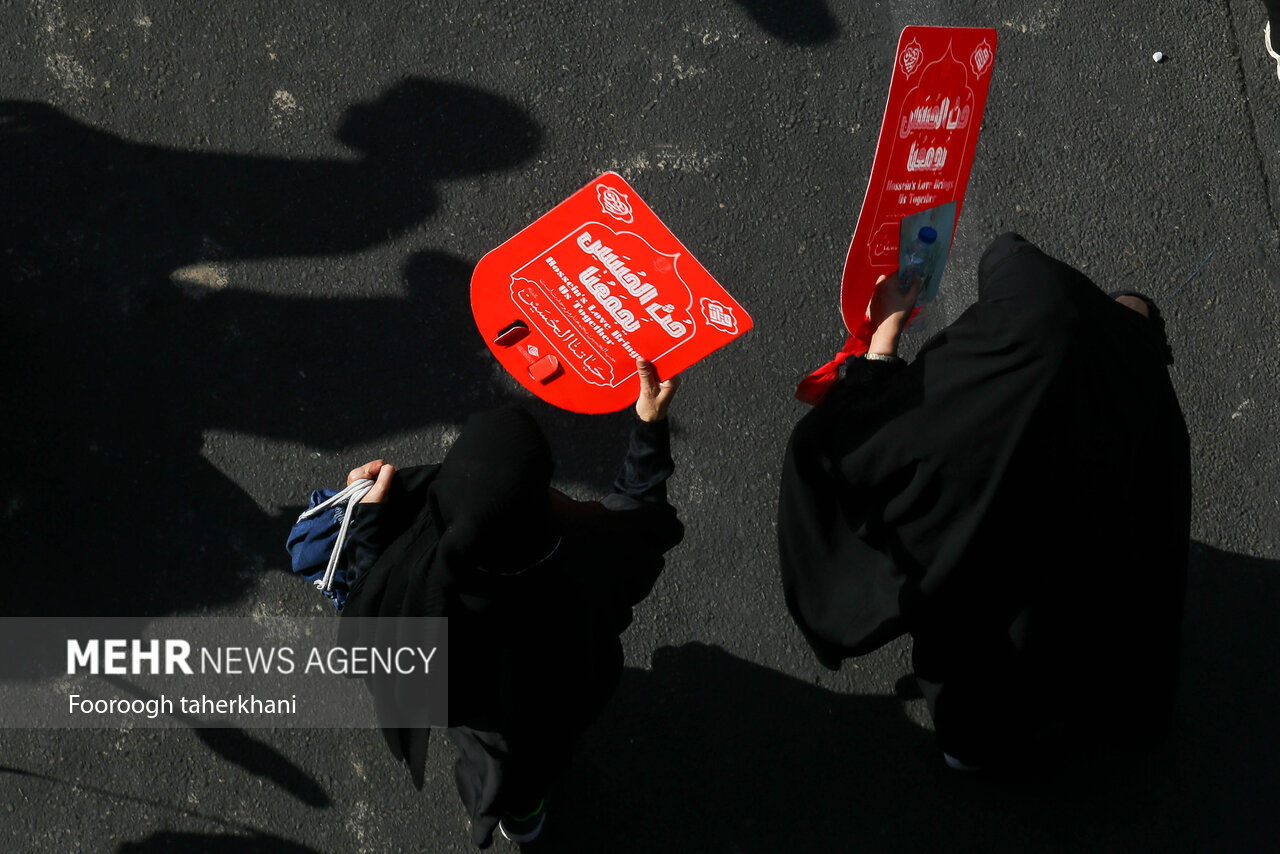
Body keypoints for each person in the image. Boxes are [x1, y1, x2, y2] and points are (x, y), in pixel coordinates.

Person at [778, 232, 1191, 770]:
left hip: (995, 646)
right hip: (1096, 609)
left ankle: (977, 748)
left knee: (981, 683)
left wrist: (882, 346)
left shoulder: (964, 412)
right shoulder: (1148, 402)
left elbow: (853, 449)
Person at [336, 357, 683, 847]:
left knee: (501, 772)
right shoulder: (589, 548)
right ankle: (526, 808)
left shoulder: (425, 588)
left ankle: (518, 818)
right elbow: (641, 512)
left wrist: (365, 524)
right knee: (546, 754)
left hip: (490, 724)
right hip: (575, 687)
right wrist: (649, 425)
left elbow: (370, 621)